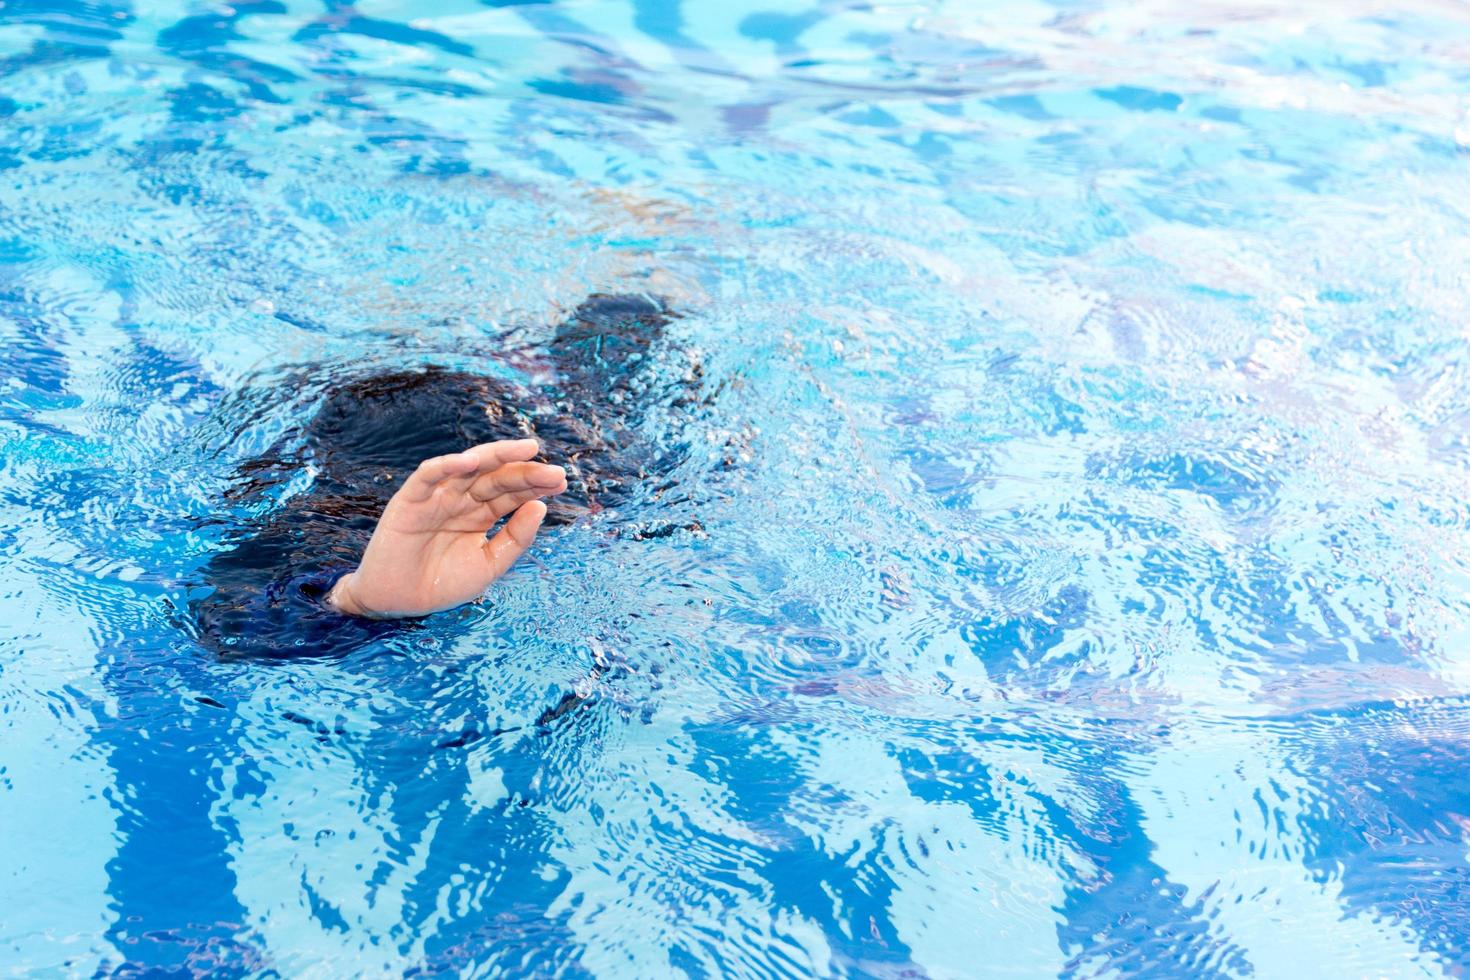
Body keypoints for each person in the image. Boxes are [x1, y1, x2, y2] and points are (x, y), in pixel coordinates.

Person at [191, 293, 682, 656]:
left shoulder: (314, 524)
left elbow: (230, 630)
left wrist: (348, 601)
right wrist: (361, 597)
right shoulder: (583, 478)